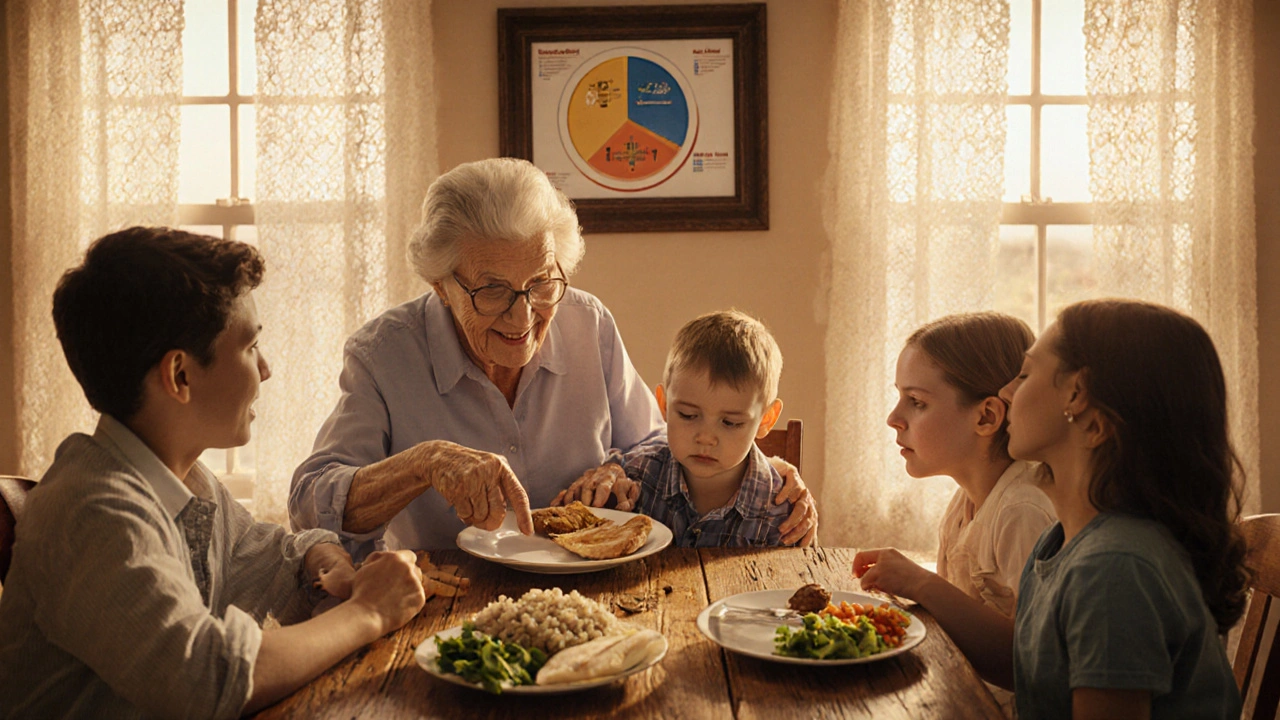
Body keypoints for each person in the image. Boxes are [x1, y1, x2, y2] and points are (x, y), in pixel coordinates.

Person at [289, 158, 817, 556]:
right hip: (445, 599)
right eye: (492, 291)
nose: (523, 321)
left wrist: (759, 471)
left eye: (541, 283)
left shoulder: (587, 322)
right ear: (440, 284)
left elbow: (658, 440)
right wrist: (422, 463)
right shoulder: (383, 355)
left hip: (591, 594)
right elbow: (310, 503)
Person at [0, 227, 428, 718]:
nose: (264, 369)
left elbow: (267, 556)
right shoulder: (94, 510)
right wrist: (368, 611)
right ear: (180, 376)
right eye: (249, 348)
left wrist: (322, 556)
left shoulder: (182, 478)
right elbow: (207, 679)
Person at [858, 299, 1248, 719]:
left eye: (1025, 375)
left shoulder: (1114, 569)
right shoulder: (1060, 543)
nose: (1007, 391)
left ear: (1087, 413)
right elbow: (1027, 671)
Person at [850, 312, 1055, 714]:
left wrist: (922, 584)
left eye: (917, 402)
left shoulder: (1023, 511)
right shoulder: (965, 501)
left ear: (986, 417)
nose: (894, 418)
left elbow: (1035, 665)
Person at [553, 310, 793, 546]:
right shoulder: (632, 478)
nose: (706, 438)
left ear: (766, 420)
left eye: (730, 423)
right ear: (664, 405)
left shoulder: (783, 512)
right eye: (688, 415)